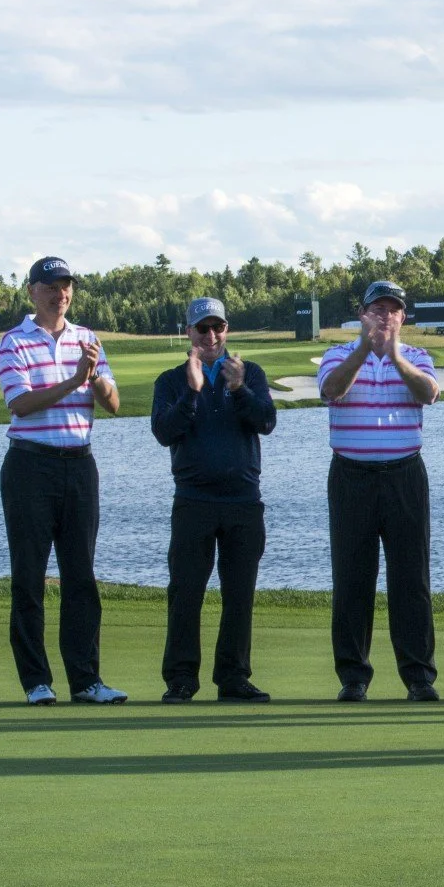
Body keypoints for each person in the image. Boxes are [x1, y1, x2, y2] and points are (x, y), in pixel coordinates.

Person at [0, 256, 125, 705]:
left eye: (66, 285)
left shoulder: (87, 339)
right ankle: (36, 682)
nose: (60, 294)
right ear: (32, 291)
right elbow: (20, 404)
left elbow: (113, 404)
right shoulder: (13, 342)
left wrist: (95, 377)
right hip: (30, 467)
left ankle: (86, 681)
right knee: (29, 577)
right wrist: (74, 381)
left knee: (81, 576)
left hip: (80, 465)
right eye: (51, 286)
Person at [151, 297, 278, 703]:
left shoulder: (248, 373)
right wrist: (192, 392)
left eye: (217, 327)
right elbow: (164, 432)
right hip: (194, 501)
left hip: (243, 501)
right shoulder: (171, 381)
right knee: (186, 593)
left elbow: (266, 421)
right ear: (188, 332)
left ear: (226, 329)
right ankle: (181, 679)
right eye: (202, 329)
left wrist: (238, 389)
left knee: (239, 594)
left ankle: (233, 677)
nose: (210, 336)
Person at [320, 279, 440, 702]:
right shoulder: (337, 355)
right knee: (352, 577)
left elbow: (428, 393)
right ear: (363, 315)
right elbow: (332, 390)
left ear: (402, 318)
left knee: (411, 578)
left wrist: (395, 357)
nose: (385, 316)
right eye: (377, 309)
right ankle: (354, 676)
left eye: (393, 310)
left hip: (405, 475)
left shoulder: (418, 356)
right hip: (351, 477)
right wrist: (364, 350)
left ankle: (419, 677)